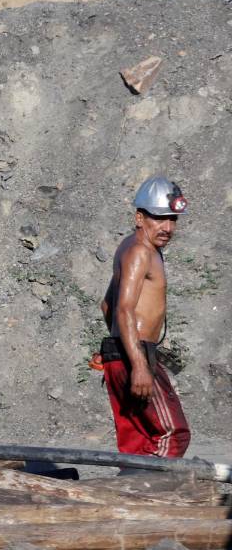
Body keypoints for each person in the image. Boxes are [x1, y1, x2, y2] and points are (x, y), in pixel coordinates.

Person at [96, 176, 190, 459]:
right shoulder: (140, 251)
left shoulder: (132, 248)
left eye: (172, 219)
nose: (168, 227)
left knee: (138, 441)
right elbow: (123, 308)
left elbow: (106, 305)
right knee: (172, 433)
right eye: (160, 219)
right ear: (140, 217)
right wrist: (136, 364)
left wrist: (115, 349)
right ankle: (152, 493)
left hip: (123, 352)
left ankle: (130, 495)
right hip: (136, 354)